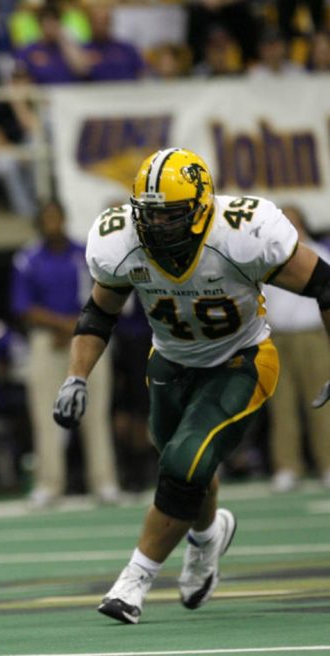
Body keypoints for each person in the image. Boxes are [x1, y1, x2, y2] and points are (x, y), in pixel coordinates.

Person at [52, 147, 330, 625]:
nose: (156, 227)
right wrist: (75, 376)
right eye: (149, 215)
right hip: (170, 362)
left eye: (170, 216)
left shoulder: (243, 232)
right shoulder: (119, 239)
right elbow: (100, 312)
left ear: (202, 207)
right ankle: (205, 538)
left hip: (241, 359)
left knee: (184, 460)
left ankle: (133, 581)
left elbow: (324, 284)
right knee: (185, 464)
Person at [11, 200, 120, 507]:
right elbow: (22, 307)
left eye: (56, 217)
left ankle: (104, 481)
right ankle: (49, 484)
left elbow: (105, 296)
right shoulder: (28, 259)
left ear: (64, 219)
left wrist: (76, 327)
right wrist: (62, 326)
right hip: (48, 341)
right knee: (45, 414)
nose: (52, 223)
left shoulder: (84, 254)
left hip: (88, 336)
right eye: (46, 218)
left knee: (96, 411)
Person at [262, 206, 330, 491]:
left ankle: (327, 464)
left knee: (321, 402)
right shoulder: (267, 255)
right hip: (276, 337)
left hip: (313, 336)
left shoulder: (319, 253)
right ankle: (287, 466)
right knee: (282, 405)